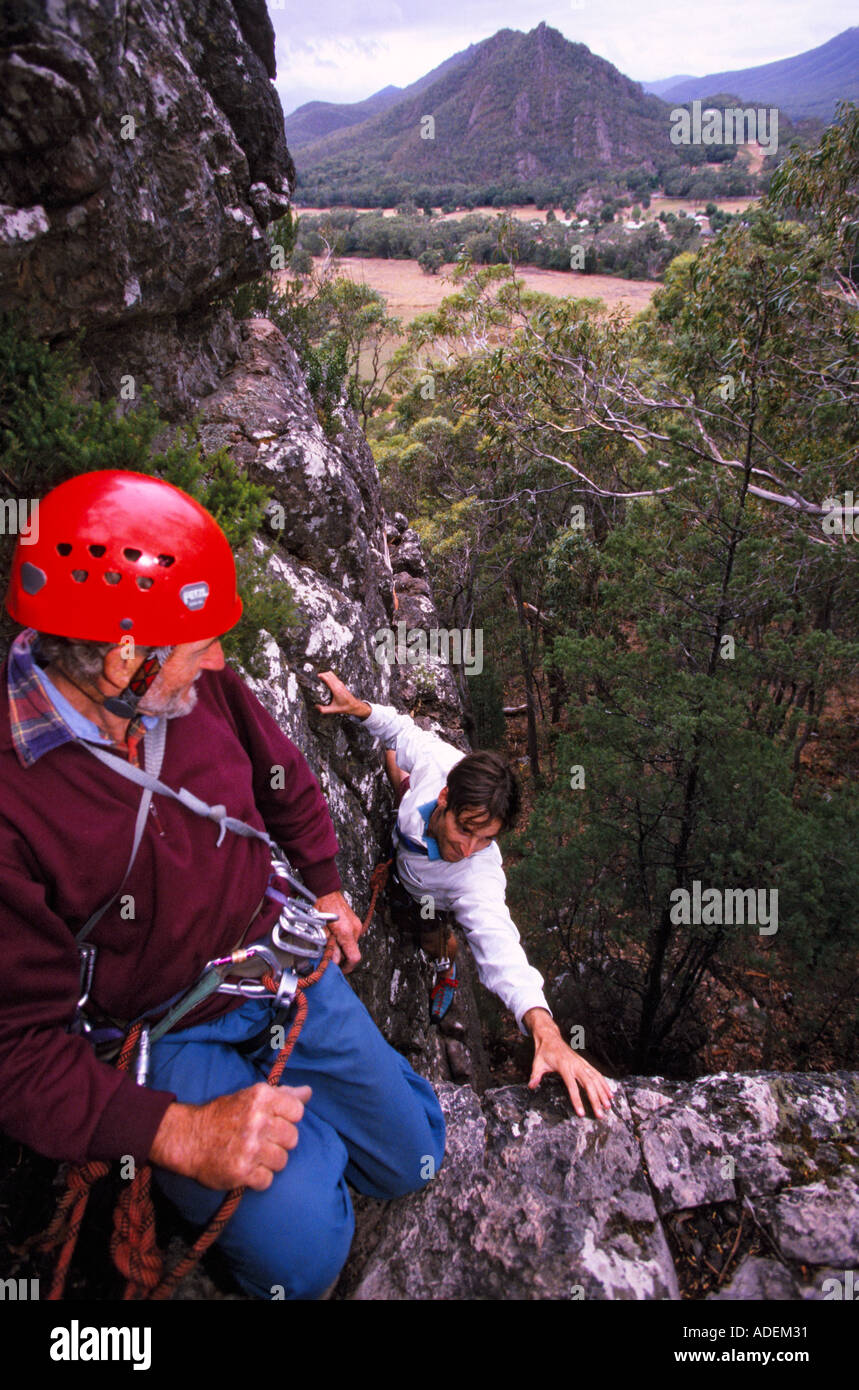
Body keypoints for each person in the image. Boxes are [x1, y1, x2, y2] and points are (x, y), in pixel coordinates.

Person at [0, 470, 444, 1300]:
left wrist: (325, 885)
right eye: (198, 641)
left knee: (418, 1152)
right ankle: (289, 1171)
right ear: (124, 658)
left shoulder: (193, 690)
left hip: (274, 959)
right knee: (302, 1265)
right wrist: (178, 1134)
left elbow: (279, 775)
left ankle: (307, 1145)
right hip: (160, 1030)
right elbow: (16, 1054)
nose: (221, 657)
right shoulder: (13, 803)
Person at [315, 671, 614, 1121]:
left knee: (432, 934)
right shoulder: (439, 763)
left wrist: (544, 1028)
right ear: (445, 798)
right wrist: (358, 707)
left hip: (425, 896)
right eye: (465, 830)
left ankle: (444, 963)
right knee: (395, 753)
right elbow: (401, 729)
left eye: (486, 839)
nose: (468, 849)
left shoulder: (477, 875)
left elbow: (500, 946)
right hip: (407, 831)